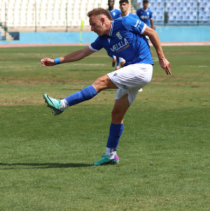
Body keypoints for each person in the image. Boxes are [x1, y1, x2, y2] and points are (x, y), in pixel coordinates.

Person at [41, 8, 171, 166]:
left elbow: (152, 33)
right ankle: (111, 154)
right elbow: (81, 53)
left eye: (93, 24)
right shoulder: (102, 39)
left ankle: (62, 104)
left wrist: (162, 58)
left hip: (142, 68)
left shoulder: (125, 22)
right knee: (117, 114)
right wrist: (55, 61)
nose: (91, 29)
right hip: (130, 71)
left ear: (103, 20)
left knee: (100, 82)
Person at [106, 0, 121, 69]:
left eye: (112, 2)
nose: (110, 3)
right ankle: (113, 57)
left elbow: (120, 21)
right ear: (108, 3)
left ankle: (117, 65)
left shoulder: (118, 12)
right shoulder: (105, 12)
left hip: (116, 32)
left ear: (114, 3)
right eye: (109, 2)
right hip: (108, 33)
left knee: (118, 47)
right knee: (107, 47)